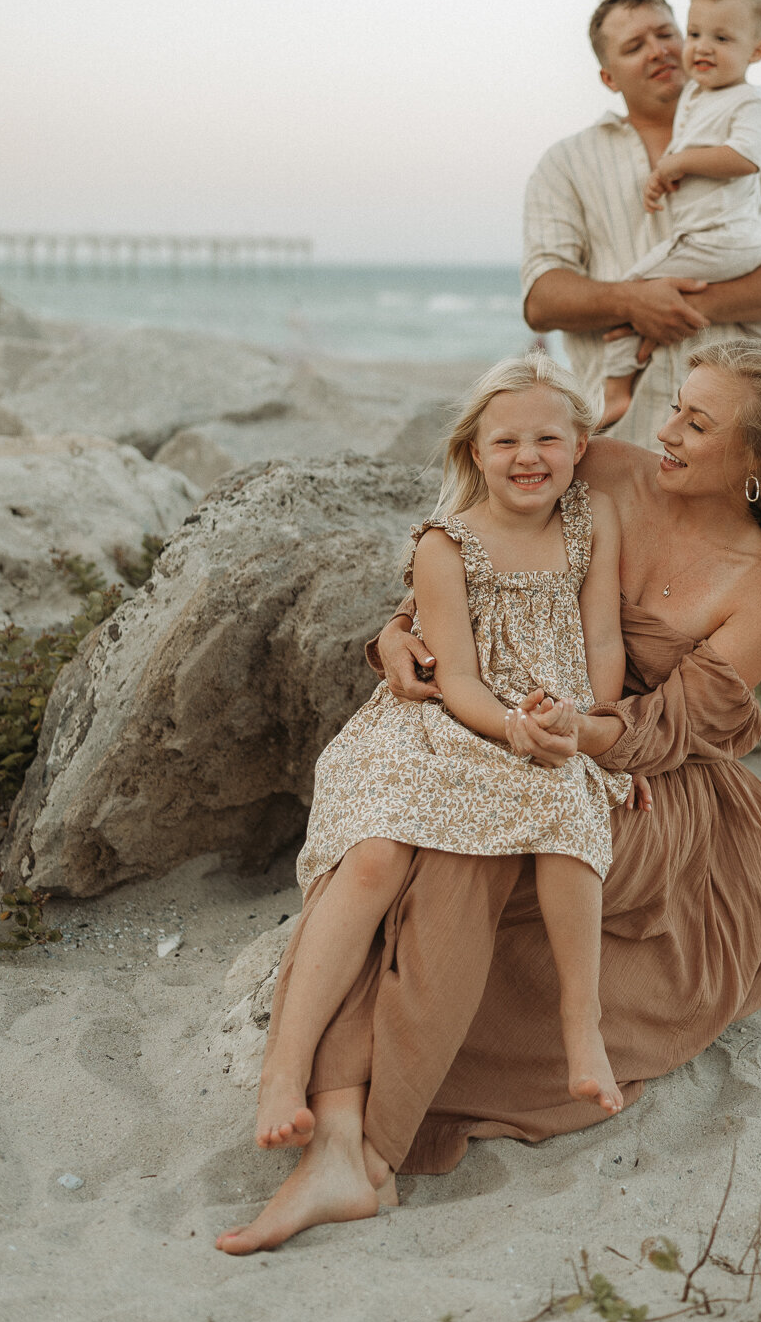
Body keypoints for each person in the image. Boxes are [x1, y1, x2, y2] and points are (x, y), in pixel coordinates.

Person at [216, 339, 761, 1255]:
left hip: (647, 778)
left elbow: (669, 730)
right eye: (674, 403)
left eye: (697, 420)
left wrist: (579, 735)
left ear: (760, 462)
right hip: (511, 726)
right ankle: (337, 1137)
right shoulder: (602, 467)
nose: (666, 429)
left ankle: (364, 1141)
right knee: (431, 838)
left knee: (468, 850)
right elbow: (482, 558)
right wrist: (398, 635)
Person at [254, 355, 634, 1161]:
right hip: (440, 723)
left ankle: (581, 1029)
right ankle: (283, 1072)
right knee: (371, 858)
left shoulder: (591, 521)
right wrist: (507, 727)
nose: (526, 456)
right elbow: (454, 678)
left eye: (546, 438)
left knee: (568, 816)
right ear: (472, 452)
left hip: (552, 718)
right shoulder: (445, 545)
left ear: (577, 445)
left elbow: (602, 638)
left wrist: (585, 723)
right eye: (505, 442)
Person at [522, 0, 761, 828]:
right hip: (625, 421)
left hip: (756, 411)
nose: (660, 49)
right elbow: (543, 298)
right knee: (624, 602)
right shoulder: (567, 163)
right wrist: (634, 302)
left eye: (666, 32)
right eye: (634, 45)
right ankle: (629, 766)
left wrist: (683, 309)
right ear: (606, 75)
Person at [600, 0, 761, 426]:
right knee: (641, 297)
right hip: (719, 233)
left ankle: (614, 391)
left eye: (721, 37)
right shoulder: (697, 99)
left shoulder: (747, 101)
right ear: (608, 76)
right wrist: (663, 178)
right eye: (696, 33)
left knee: (637, 288)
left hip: (725, 235)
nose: (701, 47)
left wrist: (677, 164)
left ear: (755, 51)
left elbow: (744, 156)